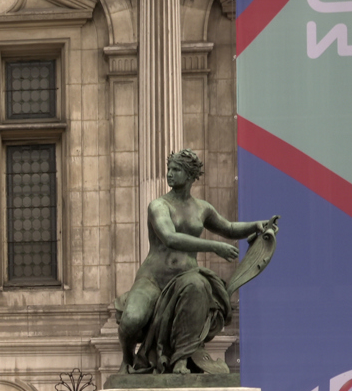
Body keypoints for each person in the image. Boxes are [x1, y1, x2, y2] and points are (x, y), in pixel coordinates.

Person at [117, 149, 277, 374]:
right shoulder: (158, 206)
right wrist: (213, 247)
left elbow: (229, 228)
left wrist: (256, 225)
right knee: (131, 320)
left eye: (176, 170)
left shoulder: (202, 208)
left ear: (190, 176)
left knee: (198, 286)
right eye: (169, 169)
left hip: (186, 276)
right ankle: (127, 359)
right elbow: (170, 238)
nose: (170, 174)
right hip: (153, 278)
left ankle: (181, 360)